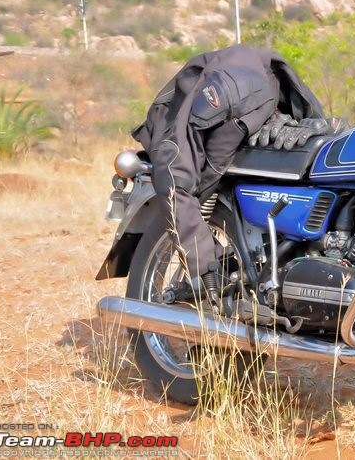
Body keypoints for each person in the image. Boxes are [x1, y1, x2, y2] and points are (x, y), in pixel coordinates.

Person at [132, 44, 329, 308]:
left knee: (188, 186)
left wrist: (204, 268)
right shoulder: (189, 102)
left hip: (238, 95)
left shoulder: (171, 121)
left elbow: (175, 186)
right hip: (266, 85)